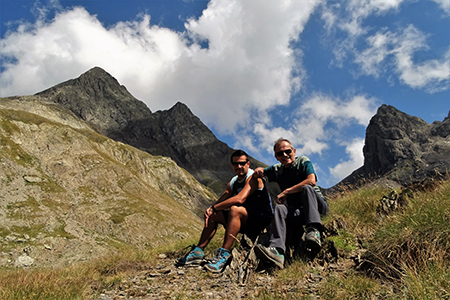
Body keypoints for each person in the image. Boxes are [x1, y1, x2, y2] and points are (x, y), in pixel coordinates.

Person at [177, 150, 273, 273]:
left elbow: (239, 199)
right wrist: (211, 209)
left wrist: (215, 207)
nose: (239, 166)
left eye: (242, 163)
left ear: (248, 164)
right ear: (232, 165)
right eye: (235, 164)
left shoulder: (253, 177)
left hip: (261, 219)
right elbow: (224, 197)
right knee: (214, 214)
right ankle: (198, 251)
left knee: (234, 209)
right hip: (245, 219)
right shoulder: (233, 182)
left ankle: (224, 254)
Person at [253, 138, 328, 269]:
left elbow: (311, 180)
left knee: (306, 188)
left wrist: (287, 191)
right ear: (276, 157)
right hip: (298, 212)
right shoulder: (277, 170)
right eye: (280, 154)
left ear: (294, 151)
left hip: (317, 208)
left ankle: (314, 230)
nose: (285, 155)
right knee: (280, 208)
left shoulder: (303, 161)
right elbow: (261, 172)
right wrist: (258, 171)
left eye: (288, 151)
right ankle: (277, 251)